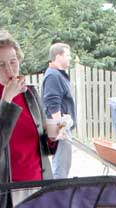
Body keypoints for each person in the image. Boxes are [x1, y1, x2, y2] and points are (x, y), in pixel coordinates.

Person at [0, 31, 53, 208]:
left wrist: (52, 138)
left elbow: (43, 146)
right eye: (0, 65)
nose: (9, 69)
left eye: (13, 61)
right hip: (7, 191)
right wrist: (7, 99)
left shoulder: (30, 93)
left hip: (41, 184)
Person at [41, 42, 76, 179]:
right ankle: (57, 197)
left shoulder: (57, 75)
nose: (70, 58)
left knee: (63, 166)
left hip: (61, 124)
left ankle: (58, 195)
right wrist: (61, 128)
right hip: (59, 125)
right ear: (58, 56)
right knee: (60, 169)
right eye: (67, 55)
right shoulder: (53, 76)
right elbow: (52, 102)